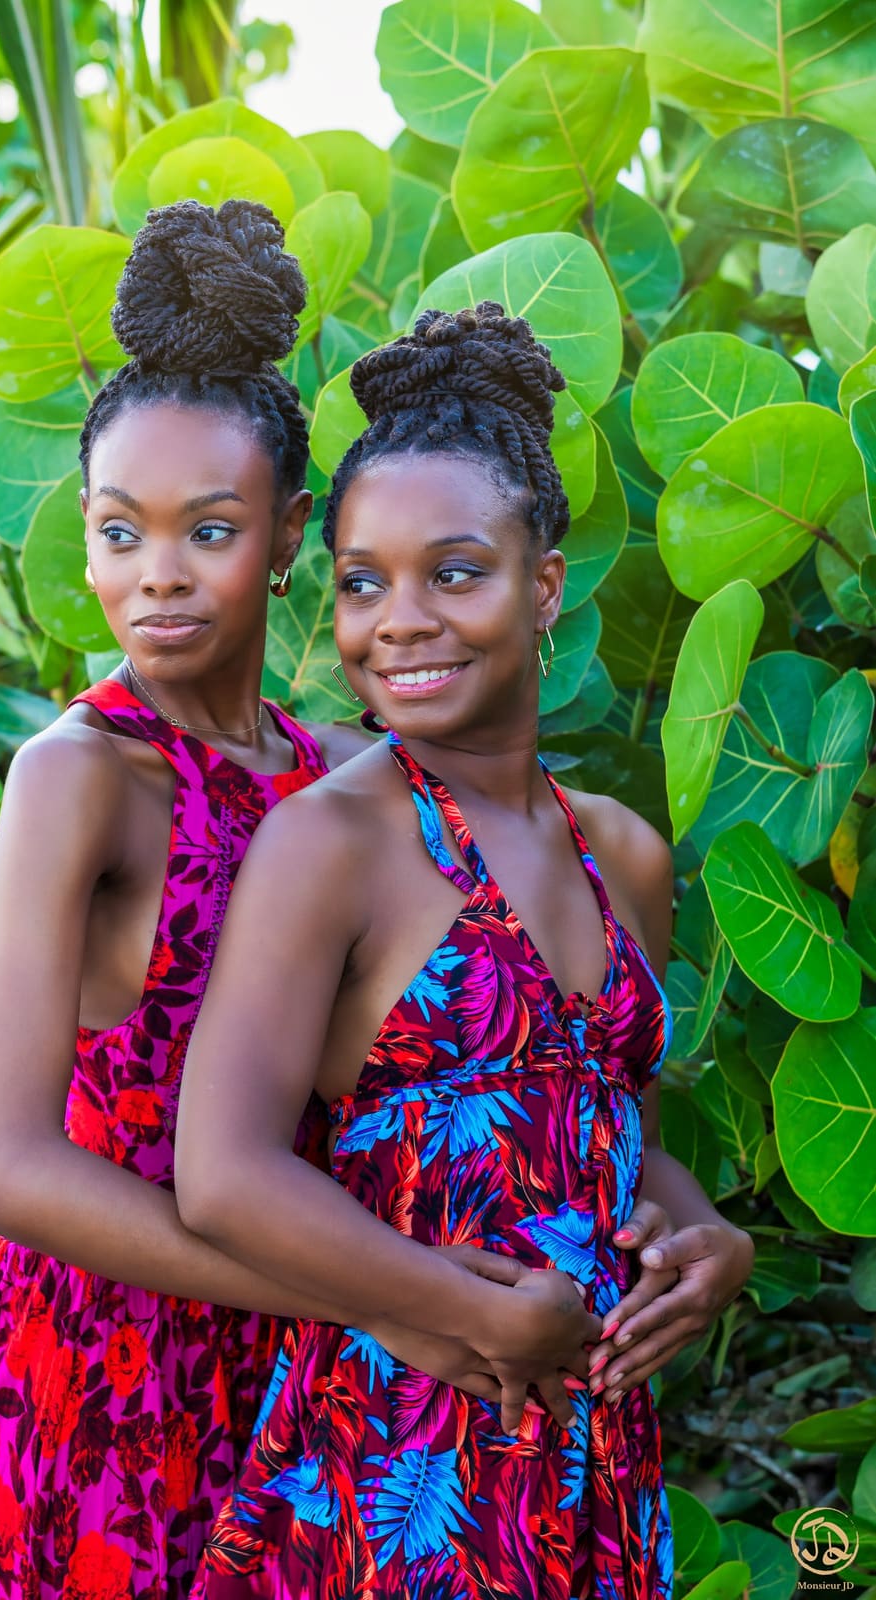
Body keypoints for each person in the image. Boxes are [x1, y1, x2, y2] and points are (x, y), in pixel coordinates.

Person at [0, 213, 599, 1600]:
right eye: (117, 531)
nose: (156, 573)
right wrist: (394, 1296)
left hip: (337, 1366)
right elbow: (5, 1169)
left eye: (207, 531)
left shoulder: (350, 785)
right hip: (110, 1370)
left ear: (283, 538)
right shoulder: (78, 778)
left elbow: (495, 1050)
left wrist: (676, 1221)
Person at [175, 303, 756, 1599]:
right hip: (397, 1449)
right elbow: (219, 1173)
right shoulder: (333, 840)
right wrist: (471, 1309)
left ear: (540, 582)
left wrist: (710, 1240)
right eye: (362, 581)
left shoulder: (622, 852)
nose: (399, 621)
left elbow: (616, 1133)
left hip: (593, 1449)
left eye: (453, 572)